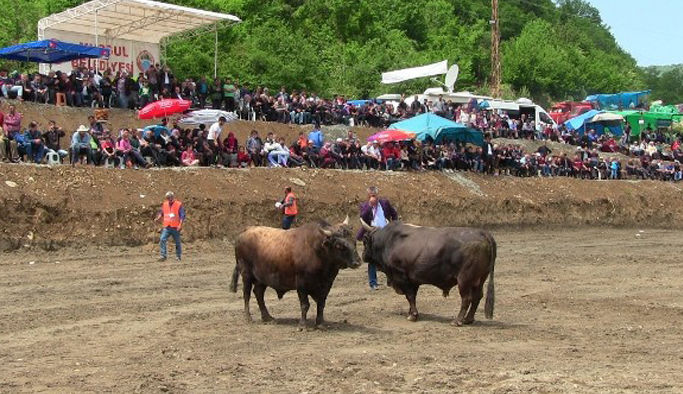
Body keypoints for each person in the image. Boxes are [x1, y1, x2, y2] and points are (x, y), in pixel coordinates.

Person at [357, 186, 398, 290]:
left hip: (385, 233)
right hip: (372, 235)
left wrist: (393, 225)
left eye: (374, 196)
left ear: (377, 195)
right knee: (372, 260)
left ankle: (391, 281)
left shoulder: (385, 203)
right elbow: (363, 217)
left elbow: (394, 214)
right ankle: (373, 283)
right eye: (370, 196)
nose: (372, 198)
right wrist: (370, 206)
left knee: (389, 258)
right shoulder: (364, 206)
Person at [155, 191, 185, 261]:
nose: (170, 199)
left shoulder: (178, 204)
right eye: (168, 198)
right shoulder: (165, 204)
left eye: (171, 197)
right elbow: (162, 212)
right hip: (167, 226)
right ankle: (163, 256)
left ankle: (178, 256)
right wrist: (158, 218)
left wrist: (180, 225)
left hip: (175, 227)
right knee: (162, 239)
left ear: (173, 197)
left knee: (177, 242)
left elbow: (182, 216)